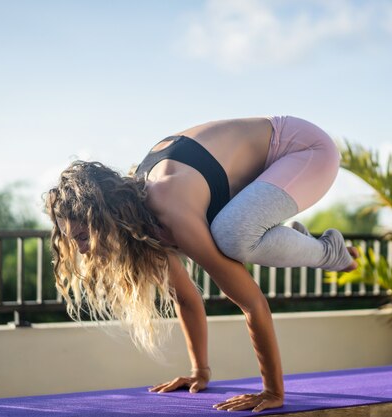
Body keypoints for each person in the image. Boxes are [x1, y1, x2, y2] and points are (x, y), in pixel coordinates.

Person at [46, 116, 358, 413]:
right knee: (231, 231)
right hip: (271, 171)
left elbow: (251, 302)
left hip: (305, 151)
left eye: (85, 237)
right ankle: (299, 243)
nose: (83, 251)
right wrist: (200, 373)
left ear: (107, 220)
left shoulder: (169, 204)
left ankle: (329, 252)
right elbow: (185, 298)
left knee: (232, 235)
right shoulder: (144, 222)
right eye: (75, 241)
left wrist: (273, 391)